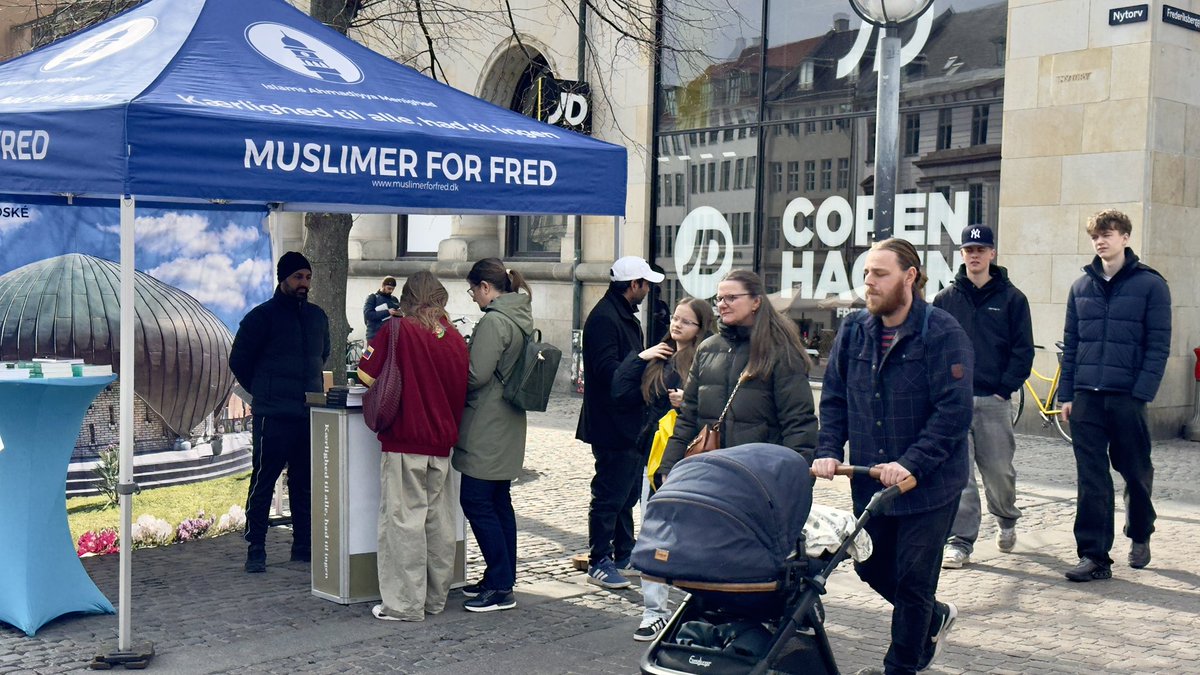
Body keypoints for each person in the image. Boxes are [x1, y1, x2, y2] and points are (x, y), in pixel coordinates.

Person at [812, 238, 973, 675]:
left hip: (930, 484)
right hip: (871, 480)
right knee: (868, 565)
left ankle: (899, 667)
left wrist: (912, 462)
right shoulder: (853, 331)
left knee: (914, 580)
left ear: (910, 276)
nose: (869, 282)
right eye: (866, 274)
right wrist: (828, 450)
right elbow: (835, 399)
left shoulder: (942, 332)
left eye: (880, 274)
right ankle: (933, 618)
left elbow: (953, 413)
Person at [1059, 209, 1171, 582]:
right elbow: (1072, 346)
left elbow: (1159, 346)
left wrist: (1141, 393)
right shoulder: (1080, 287)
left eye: (1108, 234)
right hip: (1086, 397)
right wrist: (1066, 394)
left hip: (1127, 397)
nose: (1100, 241)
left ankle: (1140, 532)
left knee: (1135, 473)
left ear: (1125, 237)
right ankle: (1094, 556)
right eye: (1095, 236)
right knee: (1091, 479)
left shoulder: (1151, 285)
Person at [355, 271, 468, 622]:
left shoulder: (396, 330)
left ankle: (404, 604)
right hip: (442, 444)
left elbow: (366, 374)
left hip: (405, 439)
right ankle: (435, 598)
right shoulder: (454, 337)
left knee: (403, 524)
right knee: (439, 524)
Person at [611, 296, 715, 642]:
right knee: (652, 532)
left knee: (694, 535)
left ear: (700, 328)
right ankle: (654, 610)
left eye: (686, 321)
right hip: (655, 458)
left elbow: (719, 412)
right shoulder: (660, 357)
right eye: (675, 318)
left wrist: (690, 403)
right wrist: (639, 358)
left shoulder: (707, 359)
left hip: (695, 459)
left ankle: (696, 607)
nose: (676, 325)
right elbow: (619, 392)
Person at [933, 225, 1034, 569]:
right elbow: (934, 348)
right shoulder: (946, 299)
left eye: (981, 249)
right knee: (961, 476)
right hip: (955, 403)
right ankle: (960, 541)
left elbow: (1023, 351)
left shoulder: (1013, 299)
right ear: (961, 255)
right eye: (968, 250)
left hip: (994, 401)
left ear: (992, 254)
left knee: (999, 472)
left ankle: (1006, 517)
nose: (974, 255)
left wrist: (1003, 388)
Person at [229, 251, 331, 574]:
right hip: (272, 414)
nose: (305, 283)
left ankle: (303, 544)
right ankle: (256, 546)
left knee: (303, 482)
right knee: (264, 480)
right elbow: (239, 361)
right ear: (283, 278)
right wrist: (264, 391)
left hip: (307, 413)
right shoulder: (261, 318)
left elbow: (323, 355)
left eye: (308, 277)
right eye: (299, 277)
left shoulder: (318, 317)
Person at [659, 269, 818, 476]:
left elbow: (798, 422)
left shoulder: (780, 350)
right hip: (708, 471)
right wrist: (668, 469)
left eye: (732, 298)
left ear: (756, 302)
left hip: (758, 475)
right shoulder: (707, 349)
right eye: (719, 298)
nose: (723, 304)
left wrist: (794, 478)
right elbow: (688, 417)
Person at [576, 256, 664, 589]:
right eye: (646, 284)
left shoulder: (624, 315)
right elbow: (607, 373)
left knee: (626, 492)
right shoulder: (604, 318)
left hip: (630, 421)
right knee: (610, 493)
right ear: (634, 285)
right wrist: (643, 359)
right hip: (612, 423)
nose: (648, 290)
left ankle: (624, 553)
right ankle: (599, 559)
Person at [454, 258, 534, 612]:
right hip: (507, 420)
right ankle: (500, 576)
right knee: (499, 501)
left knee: (476, 499)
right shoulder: (520, 316)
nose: (472, 297)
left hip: (487, 422)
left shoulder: (494, 322)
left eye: (473, 290)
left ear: (485, 288)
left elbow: (476, 375)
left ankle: (501, 586)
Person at [363, 276, 401, 340]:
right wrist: (387, 312)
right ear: (383, 285)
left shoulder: (394, 299)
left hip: (389, 337)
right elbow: (368, 314)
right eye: (389, 288)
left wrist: (399, 313)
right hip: (374, 336)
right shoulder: (372, 297)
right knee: (371, 350)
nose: (391, 291)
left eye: (393, 289)